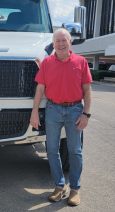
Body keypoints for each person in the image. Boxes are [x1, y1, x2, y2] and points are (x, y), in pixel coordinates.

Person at [30, 28, 92, 206]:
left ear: (70, 42)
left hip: (74, 110)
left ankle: (74, 189)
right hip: (53, 110)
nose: (61, 44)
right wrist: (35, 111)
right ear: (53, 44)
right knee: (51, 150)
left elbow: (87, 90)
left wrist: (86, 114)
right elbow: (40, 89)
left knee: (75, 150)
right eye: (57, 41)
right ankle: (59, 186)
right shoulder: (47, 63)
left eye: (64, 40)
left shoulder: (81, 62)